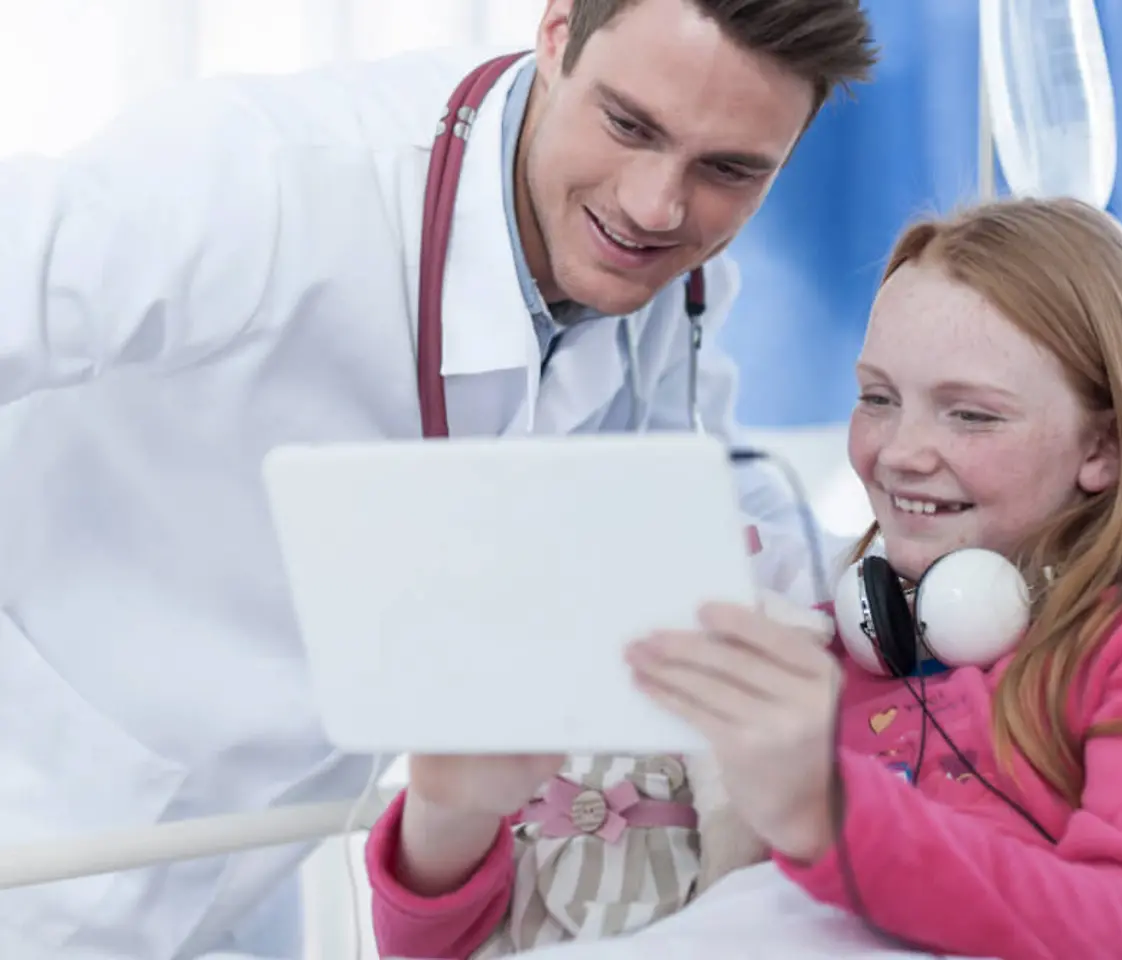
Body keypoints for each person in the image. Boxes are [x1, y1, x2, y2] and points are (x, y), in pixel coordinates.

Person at [0, 0, 878, 956]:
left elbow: (690, 493)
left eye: (730, 170)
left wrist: (900, 587)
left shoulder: (679, 287)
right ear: (555, 33)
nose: (656, 205)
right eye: (629, 125)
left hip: (247, 860)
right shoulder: (266, 177)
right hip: (40, 812)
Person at [365, 196, 1122, 960]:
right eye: (877, 398)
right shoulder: (817, 657)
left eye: (970, 414)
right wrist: (448, 821)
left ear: (1105, 446)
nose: (900, 453)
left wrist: (826, 811)